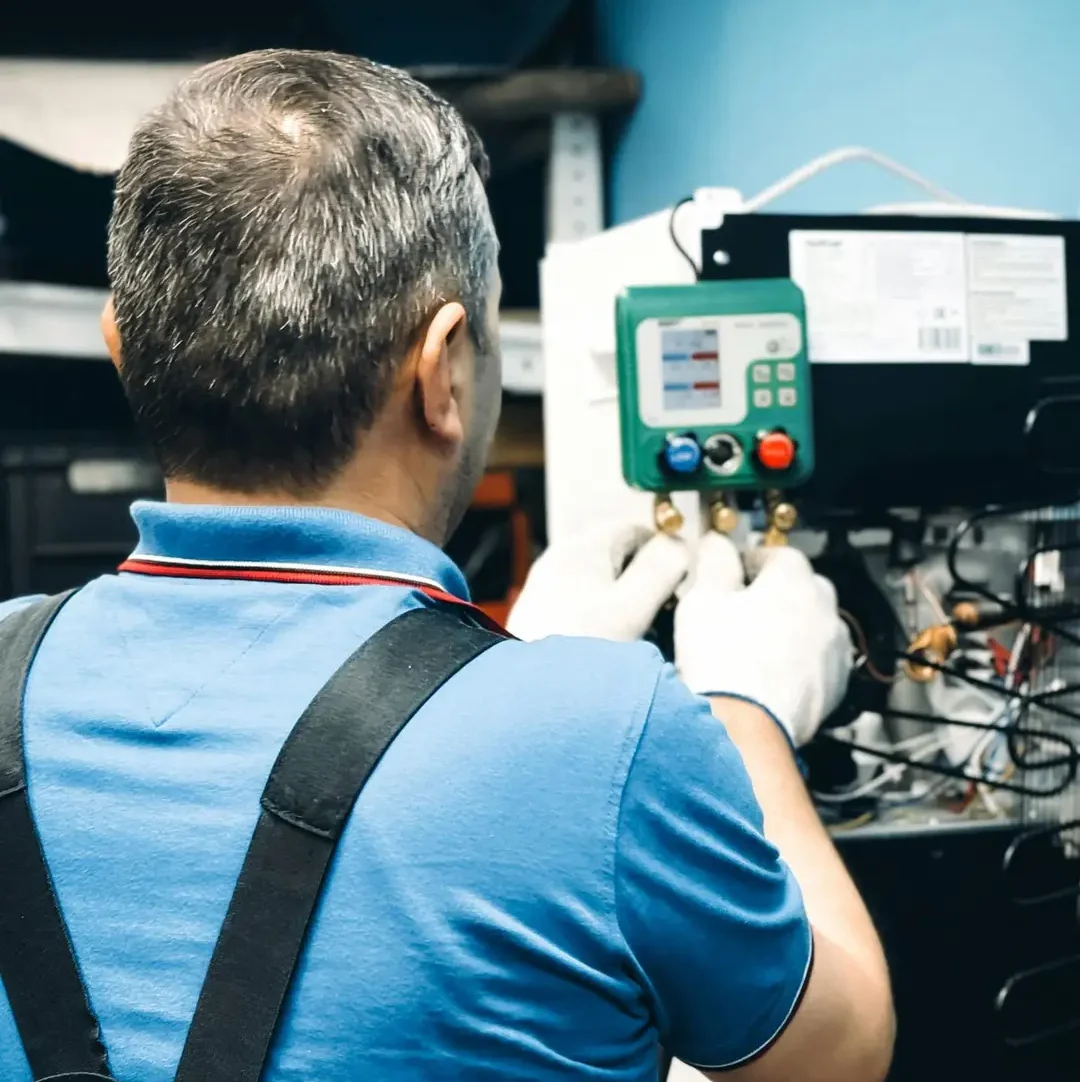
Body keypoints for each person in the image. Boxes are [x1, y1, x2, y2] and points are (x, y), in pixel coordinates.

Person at [0, 49, 893, 1082]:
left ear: (125, 351)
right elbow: (840, 1051)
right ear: (441, 372)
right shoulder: (606, 733)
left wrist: (507, 669)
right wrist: (746, 716)